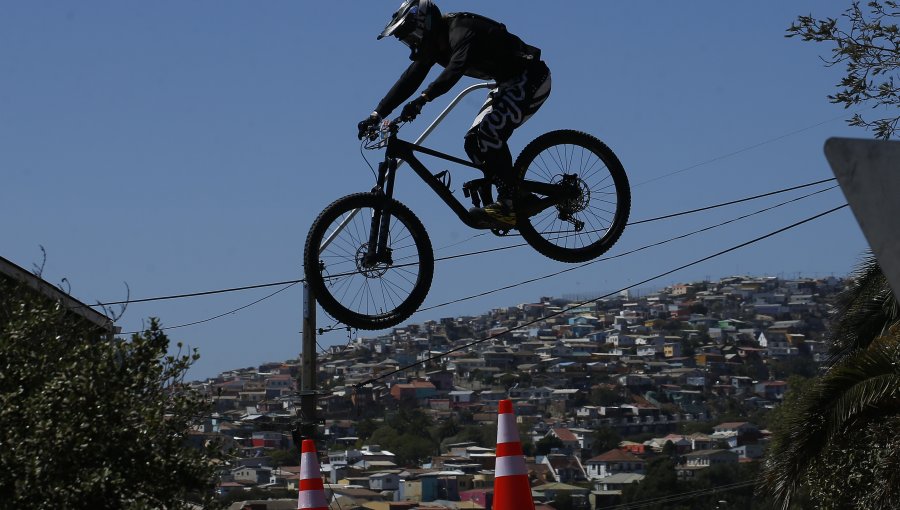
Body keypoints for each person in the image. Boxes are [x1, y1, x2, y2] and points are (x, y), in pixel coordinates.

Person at [358, 0, 551, 227]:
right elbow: (409, 79)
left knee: (489, 132)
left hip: (531, 77)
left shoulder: (460, 30)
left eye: (411, 36)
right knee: (473, 142)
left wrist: (424, 98)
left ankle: (509, 203)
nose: (411, 43)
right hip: (508, 83)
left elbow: (455, 69)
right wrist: (376, 114)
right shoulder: (436, 44)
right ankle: (517, 197)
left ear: (424, 26)